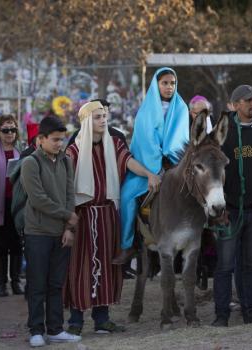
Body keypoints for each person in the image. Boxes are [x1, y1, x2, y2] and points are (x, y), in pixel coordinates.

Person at [64, 101, 159, 338]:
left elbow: (128, 162)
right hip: (83, 216)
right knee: (79, 267)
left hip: (107, 216)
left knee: (105, 267)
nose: (103, 120)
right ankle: (75, 320)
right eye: (97, 117)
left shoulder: (114, 143)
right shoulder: (73, 151)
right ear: (86, 121)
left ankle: (102, 320)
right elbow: (66, 187)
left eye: (104, 116)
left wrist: (148, 173)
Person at [212, 84, 252, 327]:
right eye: (248, 100)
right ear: (235, 104)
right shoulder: (222, 133)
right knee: (225, 266)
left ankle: (251, 312)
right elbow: (212, 173)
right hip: (228, 212)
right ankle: (221, 315)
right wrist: (219, 209)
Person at [115, 67, 189, 264]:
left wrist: (169, 158)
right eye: (165, 83)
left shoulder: (181, 108)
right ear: (156, 84)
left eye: (172, 83)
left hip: (174, 164)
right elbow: (144, 141)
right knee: (127, 196)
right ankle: (127, 245)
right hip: (147, 167)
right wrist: (153, 169)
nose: (169, 87)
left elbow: (179, 139)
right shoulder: (146, 110)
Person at [20, 116, 79, 347]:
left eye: (61, 140)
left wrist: (68, 228)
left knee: (56, 284)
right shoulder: (30, 163)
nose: (59, 144)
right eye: (55, 140)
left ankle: (55, 329)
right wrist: (67, 216)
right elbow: (38, 199)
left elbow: (69, 196)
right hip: (37, 233)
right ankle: (36, 330)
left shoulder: (65, 161)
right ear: (41, 139)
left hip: (60, 233)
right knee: (37, 284)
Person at [0, 115, 24, 297]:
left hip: (18, 203)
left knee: (17, 243)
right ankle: (2, 283)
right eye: (6, 130)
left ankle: (16, 281)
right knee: (0, 244)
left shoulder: (22, 149)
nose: (10, 133)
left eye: (13, 129)